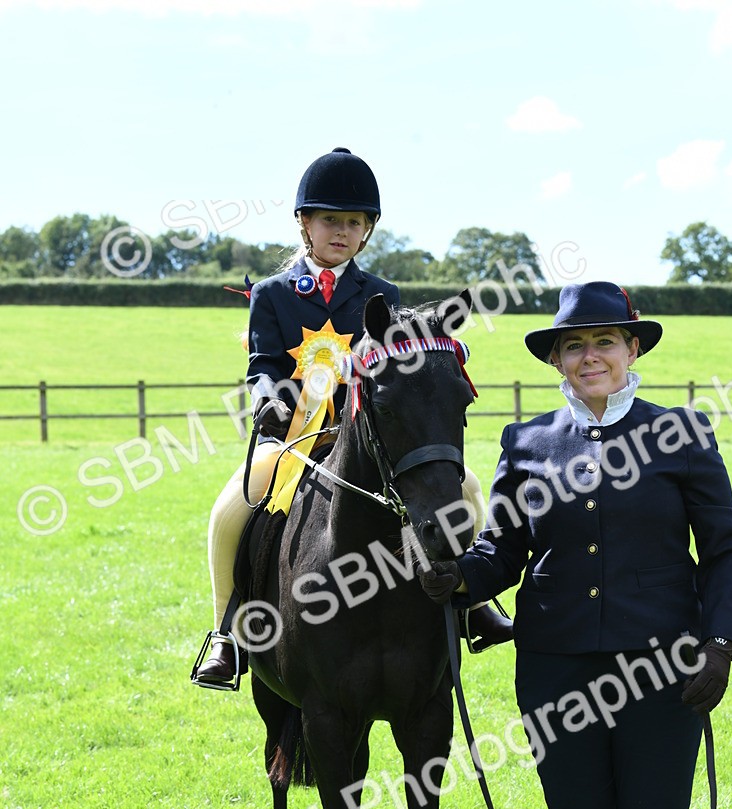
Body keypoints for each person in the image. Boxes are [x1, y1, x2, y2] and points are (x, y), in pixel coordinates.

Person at [417, 281, 732, 809]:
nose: (590, 356)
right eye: (575, 346)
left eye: (605, 342)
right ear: (558, 361)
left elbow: (725, 548)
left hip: (664, 670)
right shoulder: (526, 442)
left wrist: (721, 644)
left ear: (633, 350)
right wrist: (462, 579)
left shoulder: (683, 434)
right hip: (556, 670)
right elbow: (504, 548)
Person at [193, 147, 511, 687]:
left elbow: (400, 368)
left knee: (469, 488)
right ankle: (227, 633)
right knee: (230, 508)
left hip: (370, 437)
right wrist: (268, 400)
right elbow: (262, 364)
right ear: (305, 224)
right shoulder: (272, 294)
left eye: (354, 223)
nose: (341, 231)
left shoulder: (382, 293)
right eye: (330, 220)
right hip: (294, 436)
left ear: (367, 232)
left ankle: (470, 603)